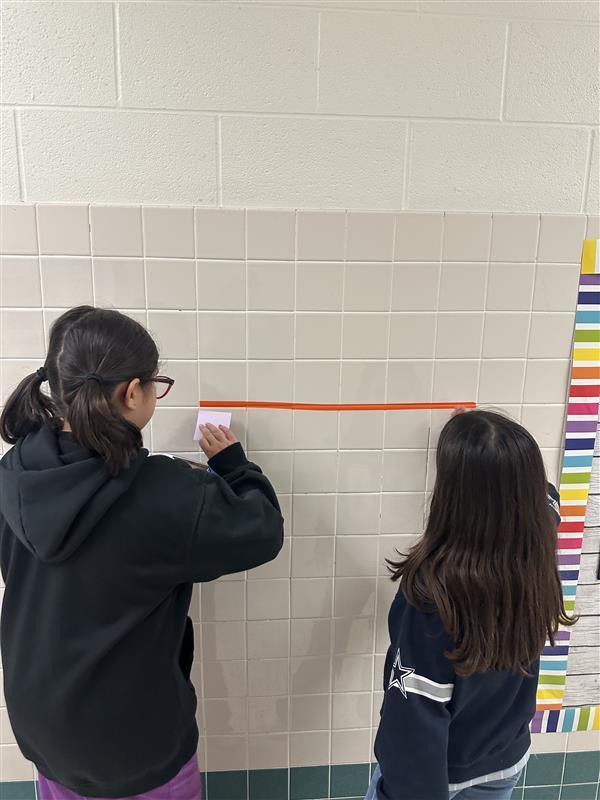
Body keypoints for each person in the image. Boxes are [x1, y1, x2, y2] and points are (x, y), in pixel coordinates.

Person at [0, 306, 284, 800]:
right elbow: (262, 530)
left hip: (46, 729)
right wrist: (233, 466)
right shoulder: (162, 493)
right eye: (156, 383)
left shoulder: (16, 471)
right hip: (135, 745)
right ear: (132, 392)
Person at [366, 409, 575, 800]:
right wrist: (489, 449)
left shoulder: (432, 595)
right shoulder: (538, 543)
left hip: (435, 777)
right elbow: (547, 496)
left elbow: (415, 719)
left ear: (452, 494)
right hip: (504, 761)